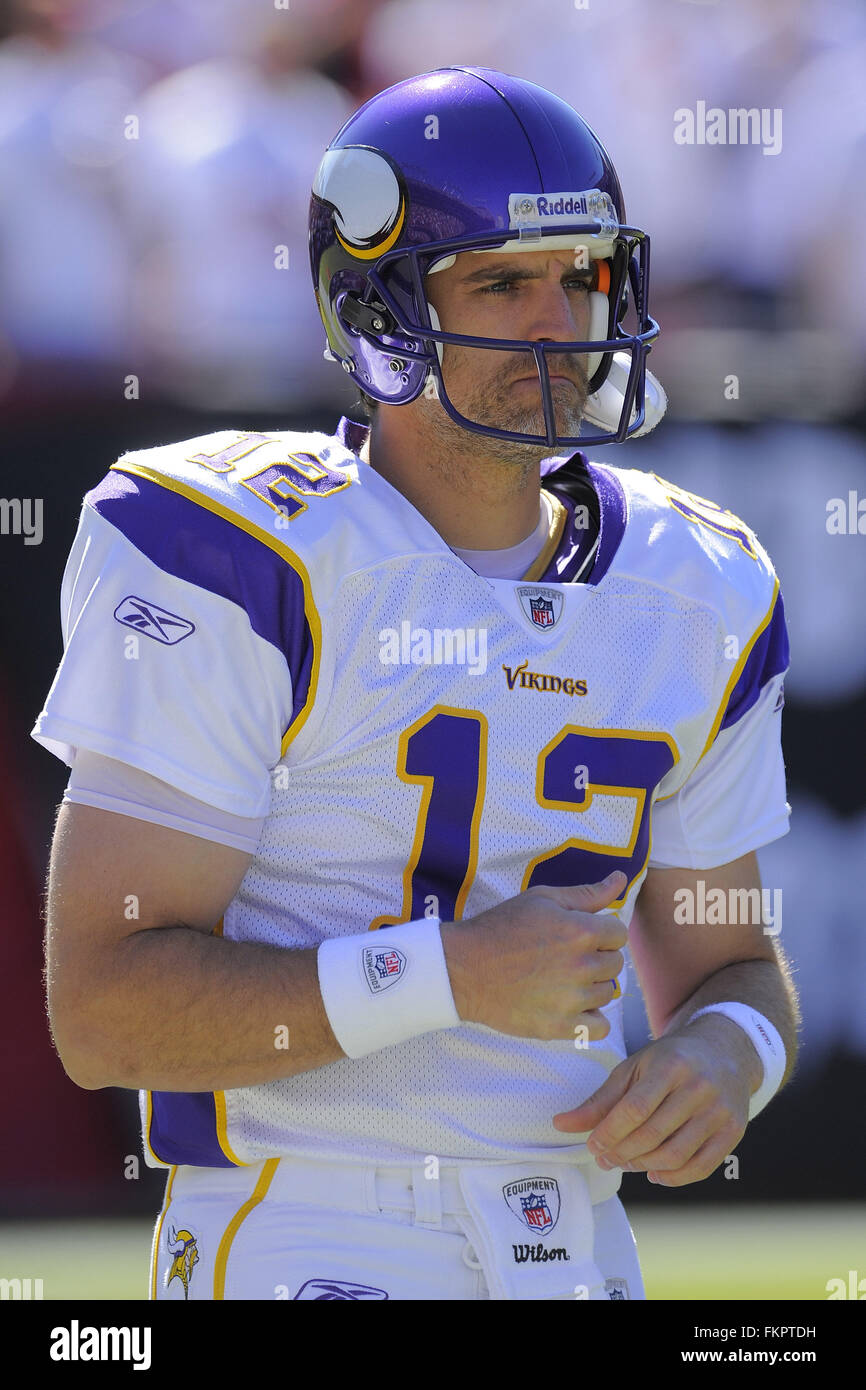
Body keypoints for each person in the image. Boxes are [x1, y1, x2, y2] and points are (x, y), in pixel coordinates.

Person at [34, 65, 799, 1302]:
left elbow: (732, 964)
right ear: (381, 310)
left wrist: (730, 1050)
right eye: (501, 280)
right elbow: (108, 1010)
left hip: (583, 1249)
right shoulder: (241, 552)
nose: (558, 322)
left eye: (579, 276)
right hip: (308, 1235)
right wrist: (445, 973)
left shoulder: (696, 582)